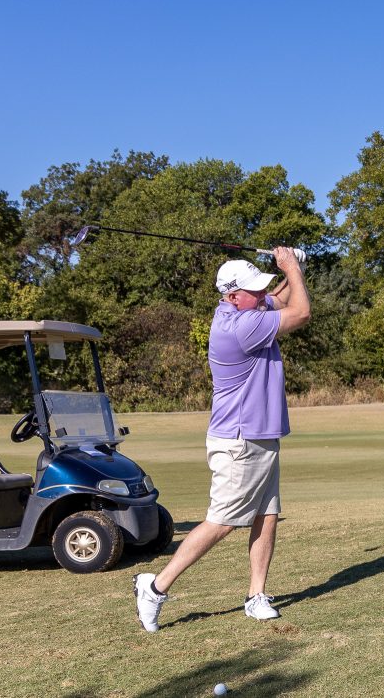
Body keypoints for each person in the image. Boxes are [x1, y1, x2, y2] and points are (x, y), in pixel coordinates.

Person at [133, 246, 310, 632]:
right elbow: (299, 311)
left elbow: (278, 297)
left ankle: (256, 595)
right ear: (232, 296)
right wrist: (292, 268)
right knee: (222, 522)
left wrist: (291, 271)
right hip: (239, 441)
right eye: (254, 290)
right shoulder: (241, 327)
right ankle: (155, 586)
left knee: (266, 516)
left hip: (260, 437)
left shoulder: (242, 310)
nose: (262, 295)